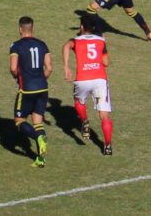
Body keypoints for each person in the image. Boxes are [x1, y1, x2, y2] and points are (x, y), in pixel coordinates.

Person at [62, 14, 114, 155]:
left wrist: (66, 66)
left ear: (81, 26)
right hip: (100, 80)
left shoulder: (76, 40)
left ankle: (84, 121)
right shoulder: (101, 40)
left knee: (79, 100)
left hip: (83, 79)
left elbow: (66, 46)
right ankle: (107, 146)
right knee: (104, 115)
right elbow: (106, 63)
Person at [9, 16, 52, 167]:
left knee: (19, 120)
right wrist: (40, 78)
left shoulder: (16, 46)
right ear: (32, 28)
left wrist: (17, 77)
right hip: (43, 87)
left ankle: (37, 138)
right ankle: (40, 159)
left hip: (26, 89)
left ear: (20, 29)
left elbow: (14, 68)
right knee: (38, 122)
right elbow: (49, 68)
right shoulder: (42, 44)